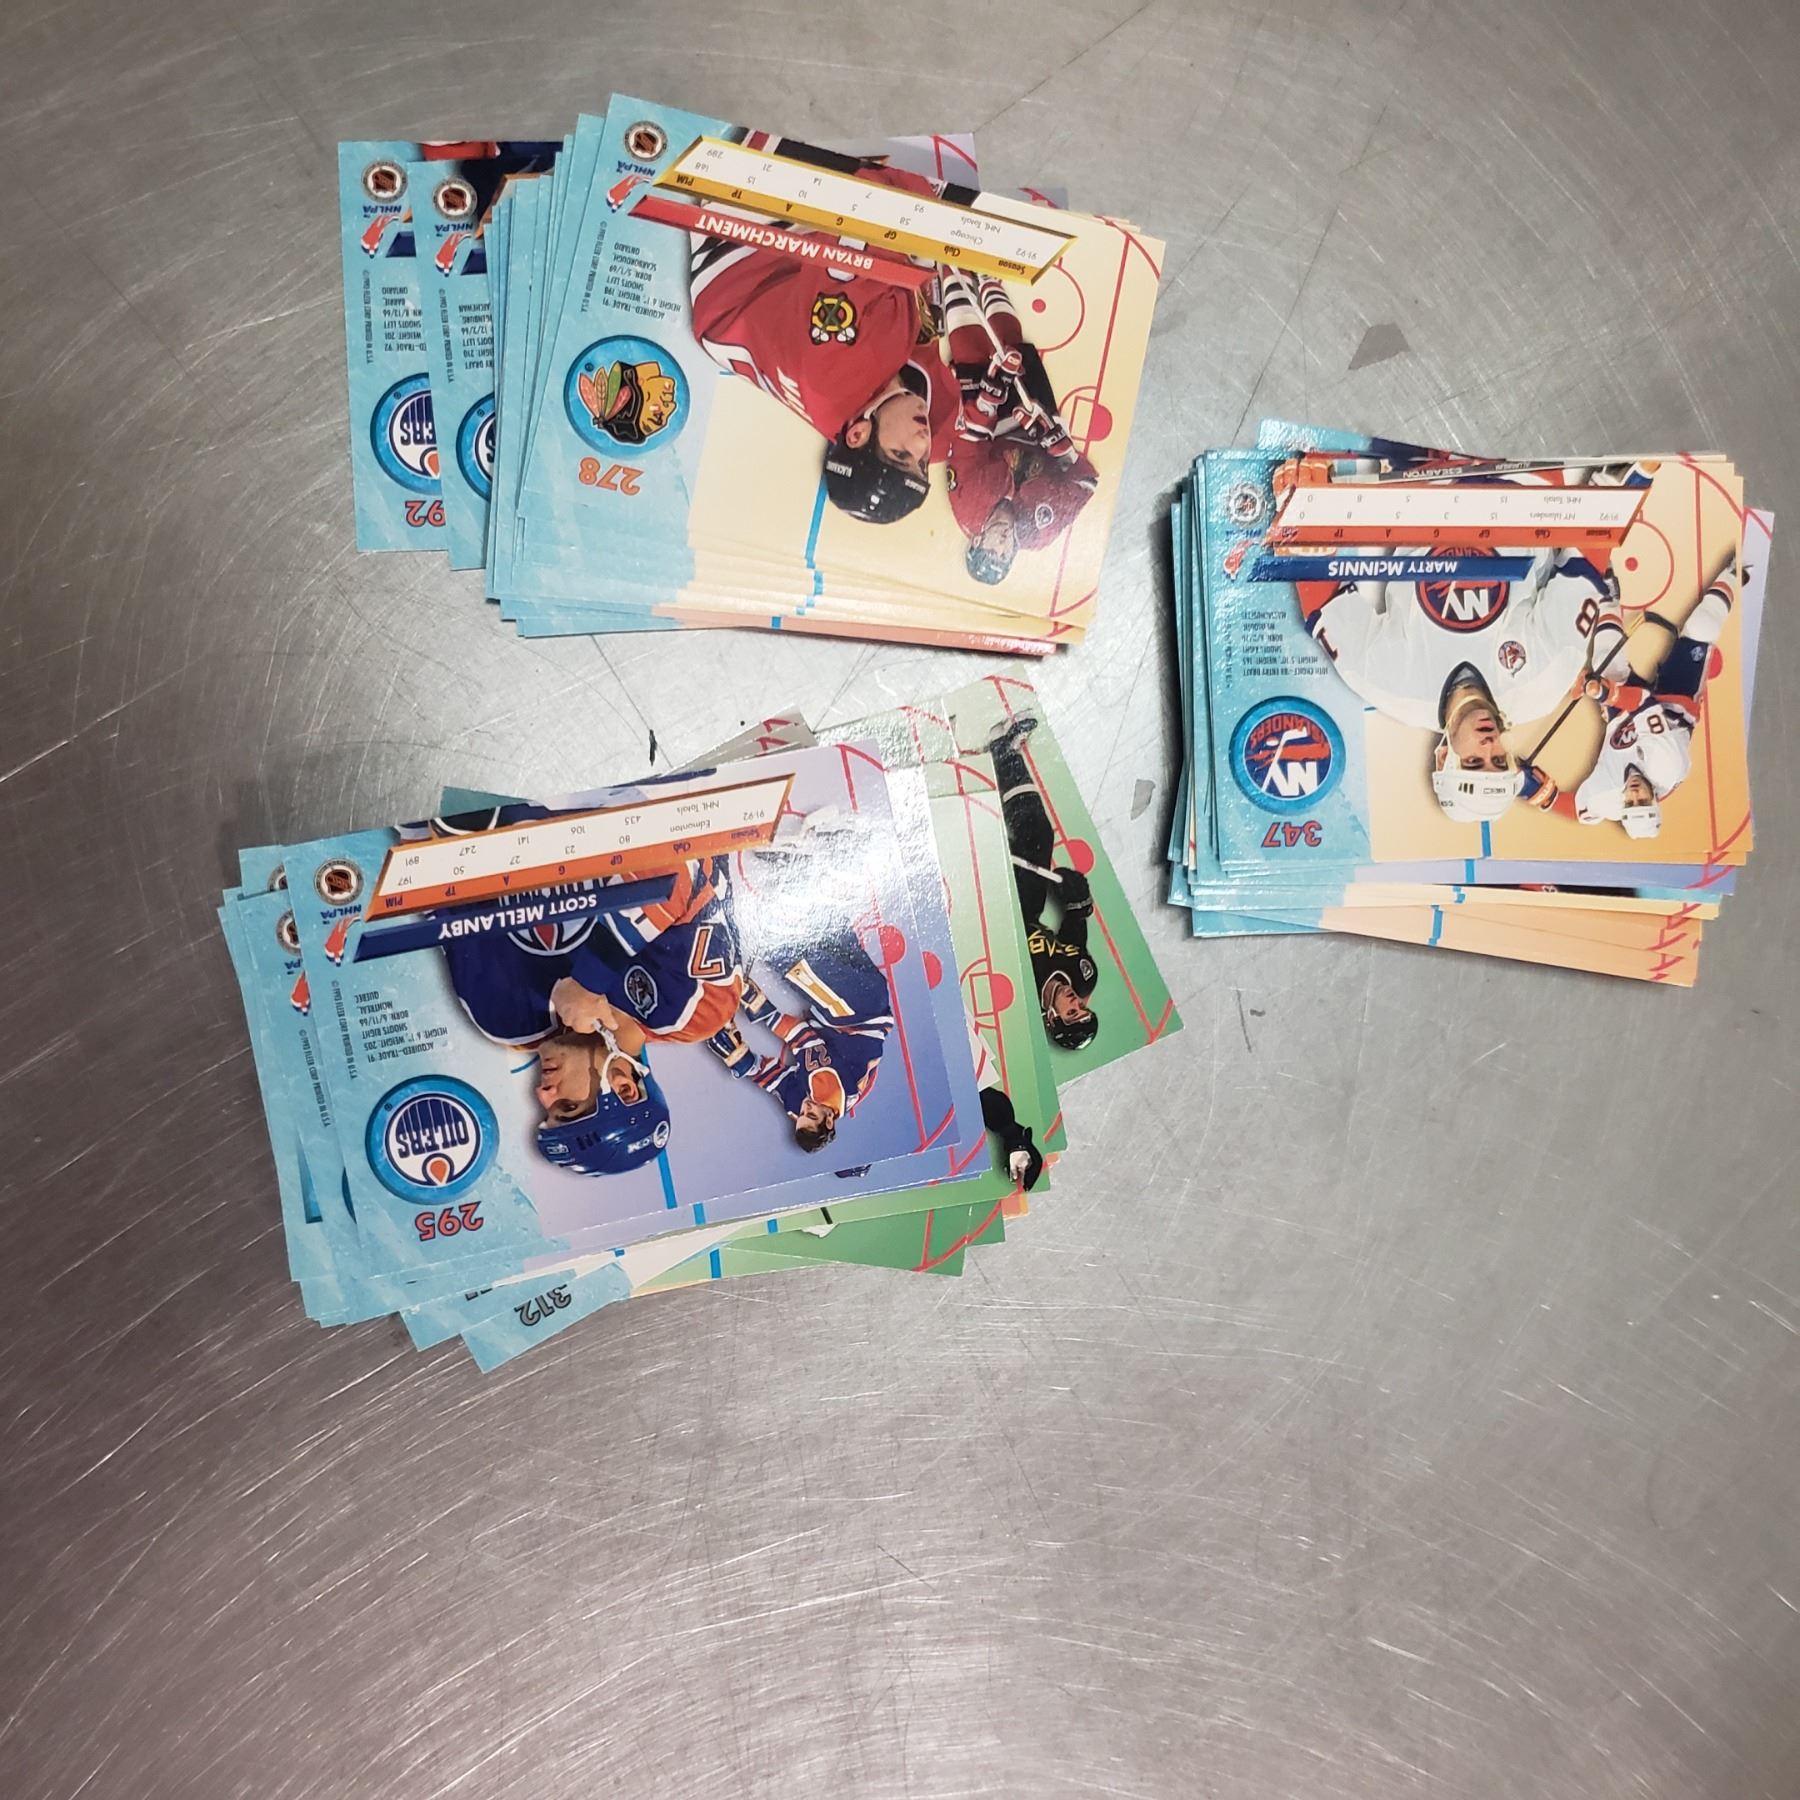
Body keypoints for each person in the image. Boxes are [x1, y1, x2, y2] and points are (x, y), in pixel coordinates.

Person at [686, 136, 962, 524]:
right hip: (754, 310)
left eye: (901, 455)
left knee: (923, 187)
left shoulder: (840, 361)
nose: (921, 444)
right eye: (921, 464)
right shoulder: (878, 399)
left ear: (857, 435)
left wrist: (936, 208)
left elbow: (865, 204)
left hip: (742, 245)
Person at [1299, 545, 1625, 824]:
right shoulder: (1544, 684)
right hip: (1522, 499)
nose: (1488, 746)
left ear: (1443, 758)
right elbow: (1584, 561)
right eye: (1499, 760)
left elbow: (1323, 603)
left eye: (1473, 762)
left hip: (1420, 498)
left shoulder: (1392, 688)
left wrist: (1308, 548)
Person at [1517, 571, 1737, 836]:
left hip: (1623, 721)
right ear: (1655, 800)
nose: (1634, 794)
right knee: (1702, 627)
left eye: (1630, 804)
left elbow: (1574, 808)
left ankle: (1608, 598)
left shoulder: (1607, 798)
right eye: (1642, 801)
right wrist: (1602, 693)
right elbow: (1643, 702)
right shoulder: (1667, 766)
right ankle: (1736, 571)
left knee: (1605, 662)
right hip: (1675, 706)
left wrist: (1534, 792)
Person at [941, 271, 1097, 583]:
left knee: (970, 354)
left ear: (977, 542)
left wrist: (987, 400)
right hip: (1039, 431)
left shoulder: (968, 507)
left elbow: (965, 446)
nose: (1001, 545)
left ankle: (952, 272)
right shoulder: (1041, 533)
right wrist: (1064, 451)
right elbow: (1086, 485)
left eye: (991, 551)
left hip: (990, 431)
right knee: (1013, 349)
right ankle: (989, 279)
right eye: (1003, 555)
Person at [706, 928, 894, 1152]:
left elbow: (777, 1080)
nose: (806, 1108)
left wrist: (742, 1061)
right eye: (811, 1114)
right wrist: (762, 1009)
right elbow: (801, 1036)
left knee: (824, 926)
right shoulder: (830, 1092)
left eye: (802, 1115)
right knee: (782, 949)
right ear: (829, 1120)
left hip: (856, 1004)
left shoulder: (805, 1109)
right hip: (857, 1008)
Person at [986, 714, 1099, 1052]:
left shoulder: (1023, 998)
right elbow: (1074, 927)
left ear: (1051, 1018)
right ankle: (1003, 752)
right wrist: (1077, 900)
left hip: (995, 924)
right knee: (1038, 834)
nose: (1075, 1002)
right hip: (1026, 910)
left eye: (1071, 1012)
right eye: (1082, 1008)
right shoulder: (1083, 976)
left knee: (985, 851)